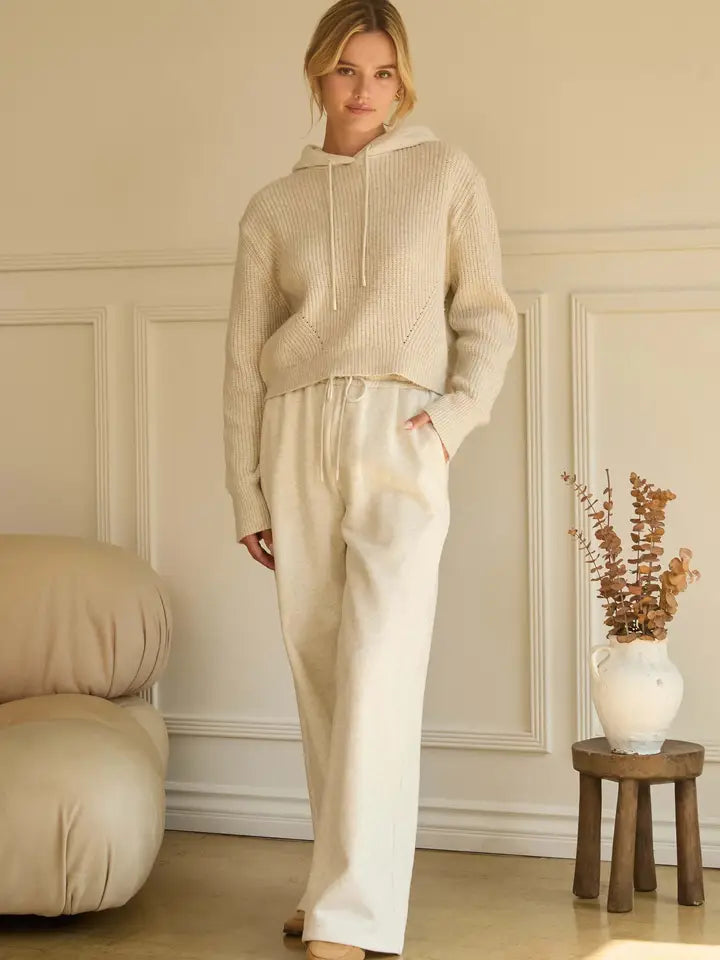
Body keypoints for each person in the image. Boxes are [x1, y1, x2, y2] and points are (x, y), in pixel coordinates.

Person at [222, 2, 518, 958]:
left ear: (403, 82)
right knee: (321, 674)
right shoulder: (274, 206)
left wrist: (452, 421)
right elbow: (243, 360)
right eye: (348, 70)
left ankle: (349, 918)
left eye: (383, 73)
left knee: (380, 668)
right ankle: (335, 891)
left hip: (401, 431)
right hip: (295, 431)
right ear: (319, 74)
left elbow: (489, 315)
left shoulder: (445, 175)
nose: (364, 91)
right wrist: (246, 490)